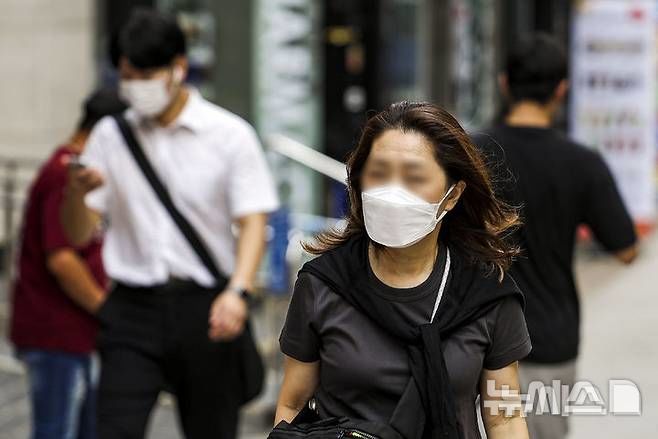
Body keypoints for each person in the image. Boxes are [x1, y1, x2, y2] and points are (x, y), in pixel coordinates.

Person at [60, 9, 279, 439]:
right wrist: (76, 193)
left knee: (210, 430)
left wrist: (238, 291)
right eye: (126, 76)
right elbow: (78, 233)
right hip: (131, 308)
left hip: (206, 307)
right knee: (113, 429)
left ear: (179, 67)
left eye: (145, 75)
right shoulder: (110, 135)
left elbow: (254, 219)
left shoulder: (228, 134)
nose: (134, 86)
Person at [274, 102, 532, 439]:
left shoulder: (487, 295)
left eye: (414, 178)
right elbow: (292, 405)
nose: (393, 192)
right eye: (379, 174)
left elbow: (505, 419)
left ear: (453, 195)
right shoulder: (323, 284)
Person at [472, 33, 639, 439]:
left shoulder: (473, 155)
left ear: (504, 83)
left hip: (475, 337)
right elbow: (626, 249)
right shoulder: (582, 163)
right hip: (549, 338)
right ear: (562, 90)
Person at [9, 88, 126, 439]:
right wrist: (108, 311)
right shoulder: (66, 174)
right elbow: (62, 258)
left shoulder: (82, 171)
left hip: (76, 333)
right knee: (57, 430)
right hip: (56, 333)